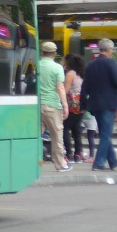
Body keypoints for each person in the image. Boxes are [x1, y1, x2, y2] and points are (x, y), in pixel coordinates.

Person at [81, 38, 117, 171]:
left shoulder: (90, 65)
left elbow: (85, 87)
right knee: (106, 135)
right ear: (110, 50)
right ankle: (98, 163)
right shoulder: (110, 63)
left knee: (104, 133)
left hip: (94, 105)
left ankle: (113, 161)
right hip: (108, 104)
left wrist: (83, 105)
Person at [36, 41, 71, 171]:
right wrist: (65, 105)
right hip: (52, 106)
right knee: (57, 136)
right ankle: (60, 164)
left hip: (37, 106)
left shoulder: (36, 66)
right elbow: (60, 88)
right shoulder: (57, 68)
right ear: (55, 54)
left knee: (35, 136)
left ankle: (30, 162)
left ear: (42, 52)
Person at [61, 54, 87, 163]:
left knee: (65, 129)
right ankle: (77, 154)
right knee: (77, 130)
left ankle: (69, 154)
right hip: (81, 104)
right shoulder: (82, 74)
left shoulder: (70, 74)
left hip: (71, 104)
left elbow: (65, 90)